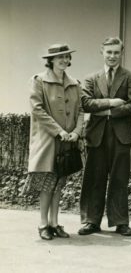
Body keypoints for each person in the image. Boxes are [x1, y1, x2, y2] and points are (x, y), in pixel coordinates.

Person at [79, 37, 131, 236]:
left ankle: (120, 221)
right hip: (96, 135)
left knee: (119, 178)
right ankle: (91, 220)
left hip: (121, 135)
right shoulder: (91, 78)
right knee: (94, 177)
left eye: (116, 52)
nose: (112, 56)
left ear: (121, 53)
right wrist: (113, 103)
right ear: (102, 52)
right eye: (109, 52)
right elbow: (86, 103)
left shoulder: (130, 76)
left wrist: (105, 111)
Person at [25, 44, 84, 240]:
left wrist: (76, 132)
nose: (64, 60)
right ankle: (43, 224)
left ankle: (54, 223)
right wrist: (58, 131)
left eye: (67, 57)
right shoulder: (39, 81)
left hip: (68, 141)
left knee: (59, 183)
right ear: (50, 60)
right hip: (48, 141)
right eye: (60, 57)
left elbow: (81, 111)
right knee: (48, 183)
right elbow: (37, 109)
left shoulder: (75, 83)